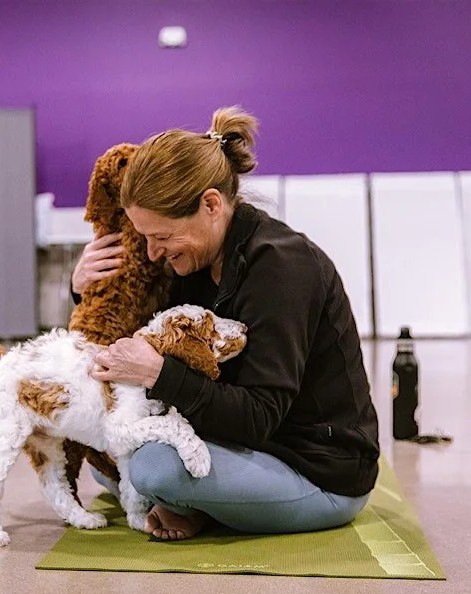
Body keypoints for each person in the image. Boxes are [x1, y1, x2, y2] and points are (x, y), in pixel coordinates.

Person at [72, 106, 380, 540]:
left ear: (211, 205)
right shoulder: (195, 258)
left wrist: (157, 373)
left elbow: (258, 418)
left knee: (153, 471)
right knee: (105, 454)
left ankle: (199, 505)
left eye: (161, 237)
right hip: (240, 447)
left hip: (316, 471)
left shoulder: (282, 268)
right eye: (145, 238)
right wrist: (83, 288)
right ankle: (205, 504)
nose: (154, 253)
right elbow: (131, 338)